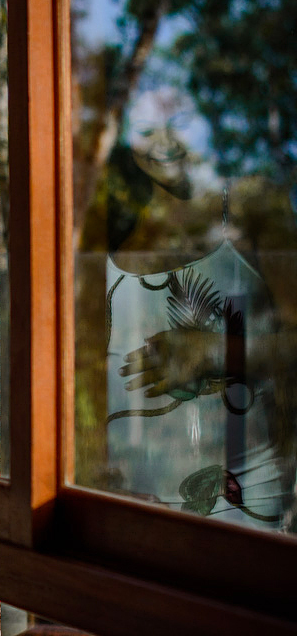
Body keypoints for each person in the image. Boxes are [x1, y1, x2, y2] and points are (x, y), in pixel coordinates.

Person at [92, 89, 297, 529]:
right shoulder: (119, 236)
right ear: (130, 143)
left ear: (208, 124)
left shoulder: (253, 208)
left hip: (240, 503)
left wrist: (215, 351)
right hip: (131, 496)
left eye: (181, 122)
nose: (165, 141)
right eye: (146, 130)